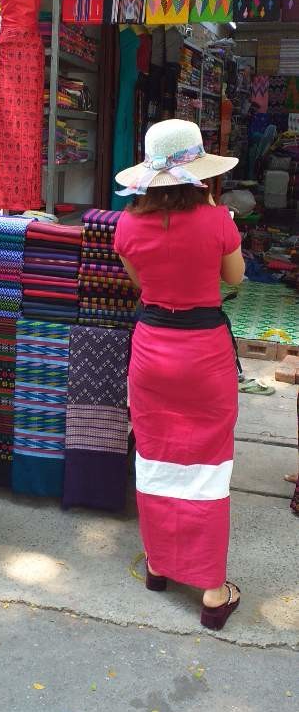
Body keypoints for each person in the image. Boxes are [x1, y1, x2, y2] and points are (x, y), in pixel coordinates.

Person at [114, 119, 245, 631]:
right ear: (199, 172)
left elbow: (141, 284)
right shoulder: (218, 221)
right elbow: (234, 278)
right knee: (207, 467)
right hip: (204, 355)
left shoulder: (127, 226)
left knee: (157, 459)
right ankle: (211, 588)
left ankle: (158, 564)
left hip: (151, 352)